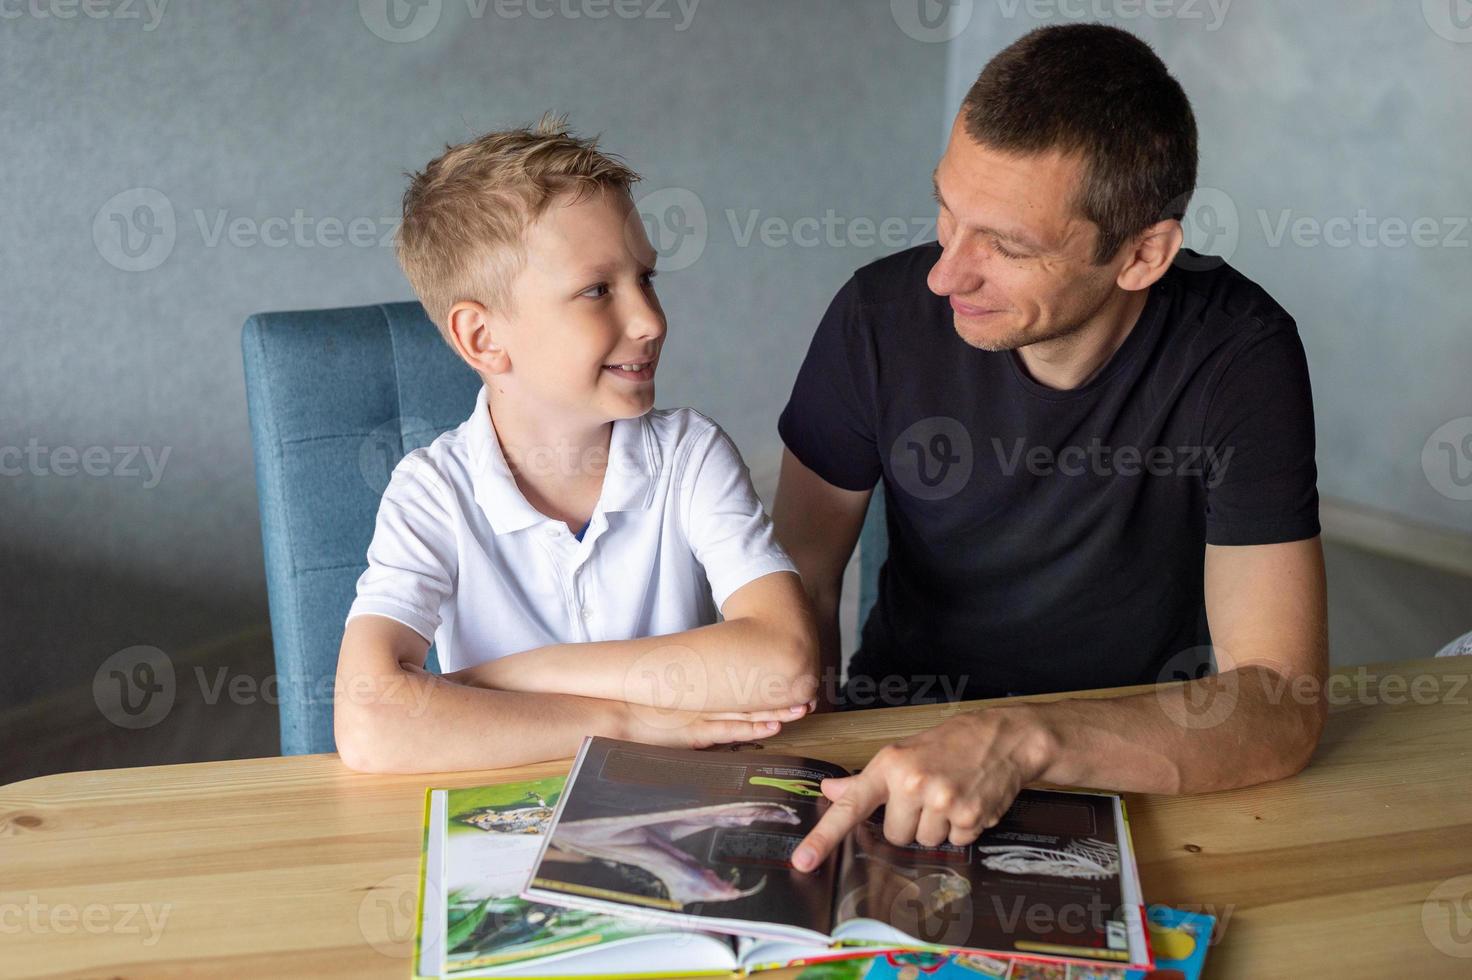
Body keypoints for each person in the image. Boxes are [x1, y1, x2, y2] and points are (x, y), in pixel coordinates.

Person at [774, 25, 1328, 872]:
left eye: (1007, 245)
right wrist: (803, 777)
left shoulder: (1240, 355)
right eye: (948, 215)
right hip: (896, 745)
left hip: (1130, 759)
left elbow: (1281, 704)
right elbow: (795, 593)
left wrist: (1019, 740)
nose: (945, 275)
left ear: (1143, 254)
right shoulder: (876, 317)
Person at [334, 116, 818, 773]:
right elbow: (370, 720)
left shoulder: (690, 454)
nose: (650, 320)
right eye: (597, 291)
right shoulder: (433, 492)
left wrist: (496, 683)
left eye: (645, 279)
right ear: (482, 339)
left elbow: (781, 666)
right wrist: (624, 721)